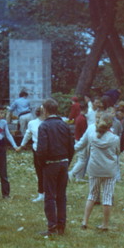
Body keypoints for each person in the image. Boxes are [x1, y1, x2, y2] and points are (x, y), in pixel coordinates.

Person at [76, 113, 120, 231]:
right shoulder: (115, 139)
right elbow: (117, 152)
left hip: (94, 169)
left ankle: (85, 221)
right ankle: (105, 224)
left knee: (92, 195)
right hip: (109, 170)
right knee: (107, 197)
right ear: (110, 125)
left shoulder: (92, 136)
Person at [37, 98, 74, 236]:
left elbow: (41, 149)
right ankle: (61, 226)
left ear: (45, 110)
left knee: (50, 197)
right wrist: (66, 161)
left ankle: (52, 227)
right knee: (61, 196)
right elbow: (71, 147)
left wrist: (43, 163)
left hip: (51, 164)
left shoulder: (44, 126)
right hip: (63, 163)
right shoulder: (64, 125)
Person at [16, 106, 45, 202]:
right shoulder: (32, 123)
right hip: (37, 150)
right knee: (39, 172)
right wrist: (21, 145)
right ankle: (41, 194)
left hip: (49, 151)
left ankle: (50, 193)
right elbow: (28, 135)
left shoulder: (49, 122)